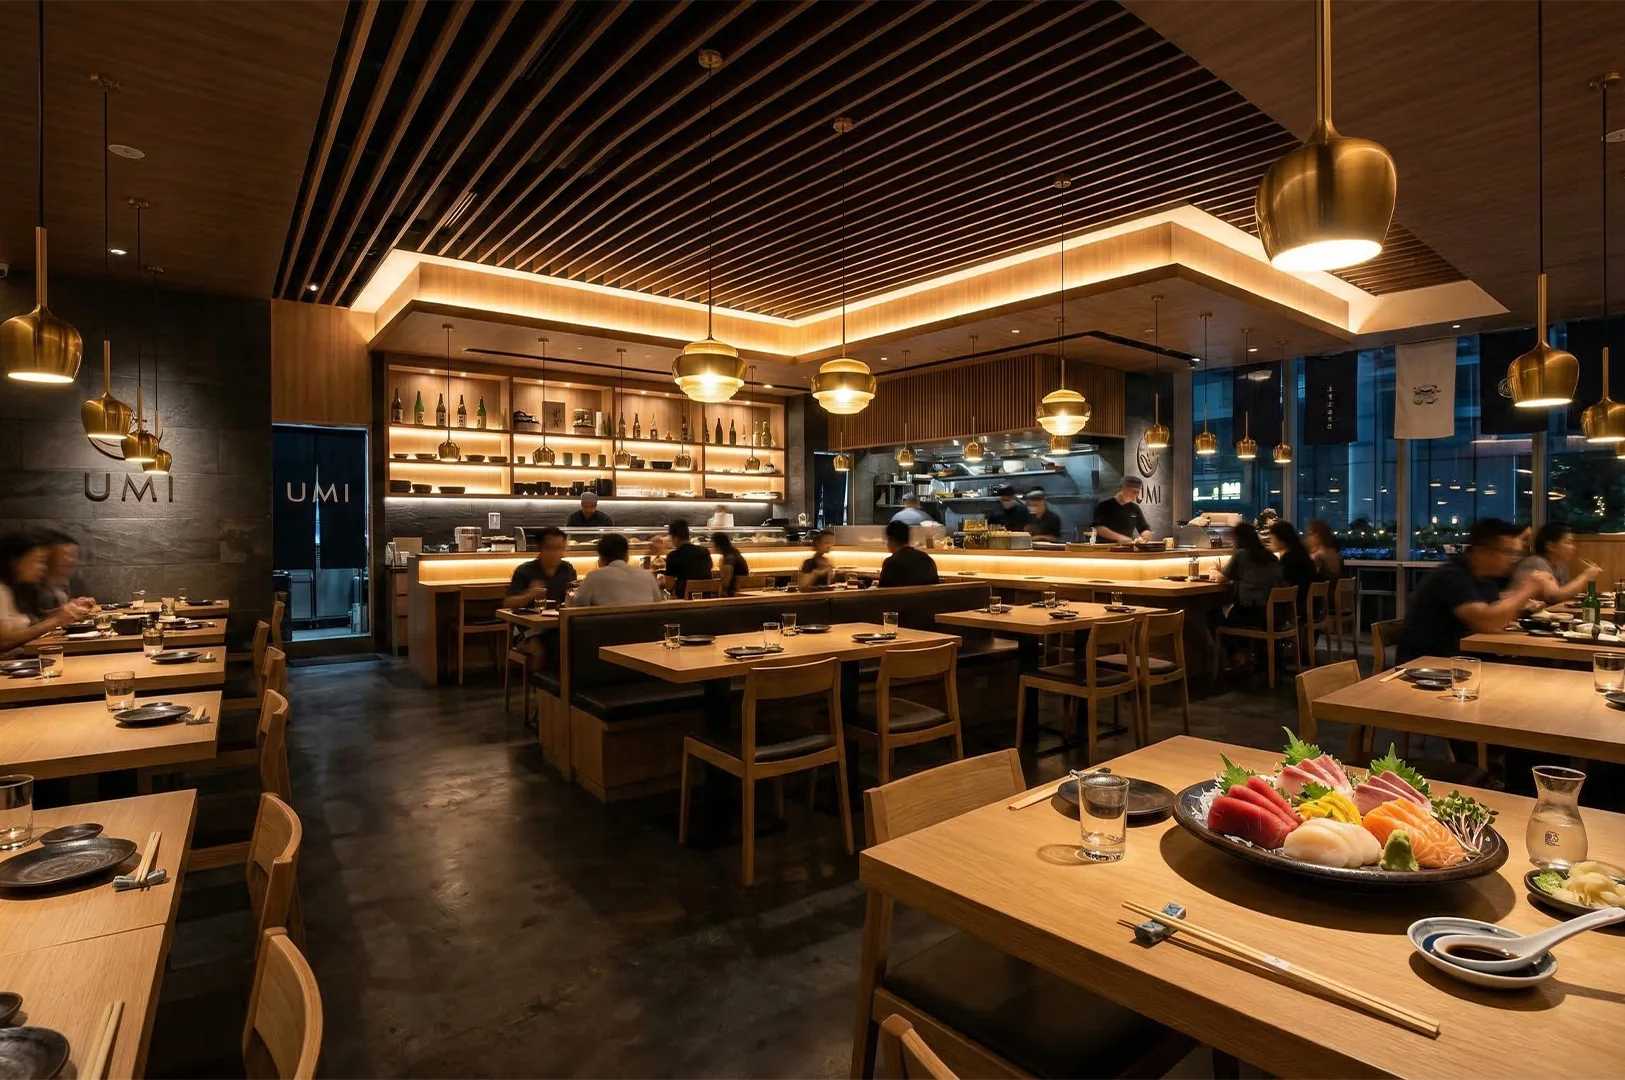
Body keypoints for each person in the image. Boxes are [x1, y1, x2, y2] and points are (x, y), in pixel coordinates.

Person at [1395, 518, 1553, 664]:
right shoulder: (1451, 575)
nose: (1514, 559)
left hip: (1464, 660)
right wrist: (1528, 589)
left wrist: (1521, 602)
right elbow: (1486, 622)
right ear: (1481, 552)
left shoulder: (1484, 577)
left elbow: (1497, 616)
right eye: (1508, 552)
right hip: (1427, 667)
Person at [0, 532, 95, 655]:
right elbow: (4, 641)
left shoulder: (15, 589)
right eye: (37, 561)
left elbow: (32, 624)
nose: (43, 568)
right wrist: (57, 620)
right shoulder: (1, 590)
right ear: (14, 562)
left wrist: (65, 611)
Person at [503, 527, 577, 662]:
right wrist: (529, 594)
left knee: (574, 647)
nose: (556, 553)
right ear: (540, 548)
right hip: (527, 631)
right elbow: (508, 603)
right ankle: (535, 683)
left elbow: (571, 597)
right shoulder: (524, 570)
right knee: (541, 652)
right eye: (551, 548)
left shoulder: (567, 569)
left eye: (560, 548)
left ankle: (561, 682)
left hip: (556, 627)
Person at [568, 534, 665, 608]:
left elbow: (577, 606)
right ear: (627, 556)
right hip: (647, 631)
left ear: (601, 557)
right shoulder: (647, 575)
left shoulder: (594, 576)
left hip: (605, 633)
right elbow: (658, 603)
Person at [1514, 523, 1599, 605]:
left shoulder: (1560, 565)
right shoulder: (1536, 562)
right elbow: (1554, 597)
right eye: (1568, 542)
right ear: (1551, 546)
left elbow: (1568, 592)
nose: (1573, 547)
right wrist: (1585, 576)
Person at [26, 530, 83, 617]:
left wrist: (76, 605)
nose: (71, 560)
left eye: (73, 556)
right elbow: (36, 620)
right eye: (65, 555)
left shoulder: (72, 582)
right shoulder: (32, 587)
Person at [1268, 521, 1319, 617]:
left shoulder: (1289, 559)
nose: (1270, 542)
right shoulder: (1302, 554)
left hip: (1297, 607)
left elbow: (1285, 584)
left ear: (1281, 539)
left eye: (1272, 538)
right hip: (1311, 605)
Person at [660, 519, 714, 597]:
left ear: (675, 538)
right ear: (688, 536)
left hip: (684, 601)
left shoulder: (673, 556)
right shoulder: (704, 551)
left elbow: (669, 585)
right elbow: (709, 569)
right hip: (706, 598)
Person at [879, 519, 939, 588]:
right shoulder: (927, 559)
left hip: (901, 599)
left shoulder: (891, 563)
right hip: (928, 598)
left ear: (891, 540)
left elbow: (882, 593)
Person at [1092, 477, 1151, 543]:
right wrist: (1121, 538)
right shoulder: (1104, 505)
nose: (1135, 495)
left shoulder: (1135, 508)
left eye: (1137, 493)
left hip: (1126, 549)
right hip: (1105, 549)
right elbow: (1099, 528)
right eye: (1133, 492)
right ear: (1123, 488)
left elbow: (1144, 528)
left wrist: (1146, 533)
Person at [712, 532, 750, 597]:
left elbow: (725, 584)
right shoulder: (735, 554)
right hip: (743, 592)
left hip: (733, 594)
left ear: (718, 545)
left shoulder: (729, 559)